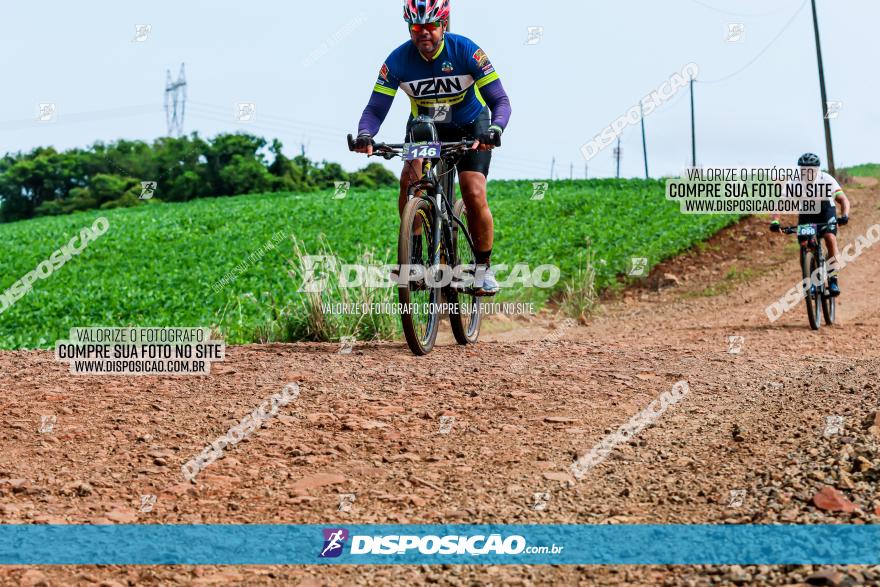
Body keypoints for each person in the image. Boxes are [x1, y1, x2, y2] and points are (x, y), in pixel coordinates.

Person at [352, 0, 511, 295]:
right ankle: (413, 261)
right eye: (416, 27)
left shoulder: (466, 51)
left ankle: (483, 268)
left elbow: (500, 100)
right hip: (426, 129)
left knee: (473, 190)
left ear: (444, 24)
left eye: (430, 26)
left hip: (470, 124)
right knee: (410, 180)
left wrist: (494, 130)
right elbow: (375, 109)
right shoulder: (398, 61)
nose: (423, 33)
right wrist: (365, 134)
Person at [770, 153, 850, 296]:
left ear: (817, 169)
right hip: (807, 213)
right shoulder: (794, 182)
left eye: (810, 169)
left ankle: (833, 279)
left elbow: (843, 199)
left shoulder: (826, 179)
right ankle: (809, 279)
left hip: (826, 210)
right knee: (804, 245)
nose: (806, 173)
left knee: (830, 238)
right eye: (803, 170)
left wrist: (844, 215)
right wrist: (775, 221)